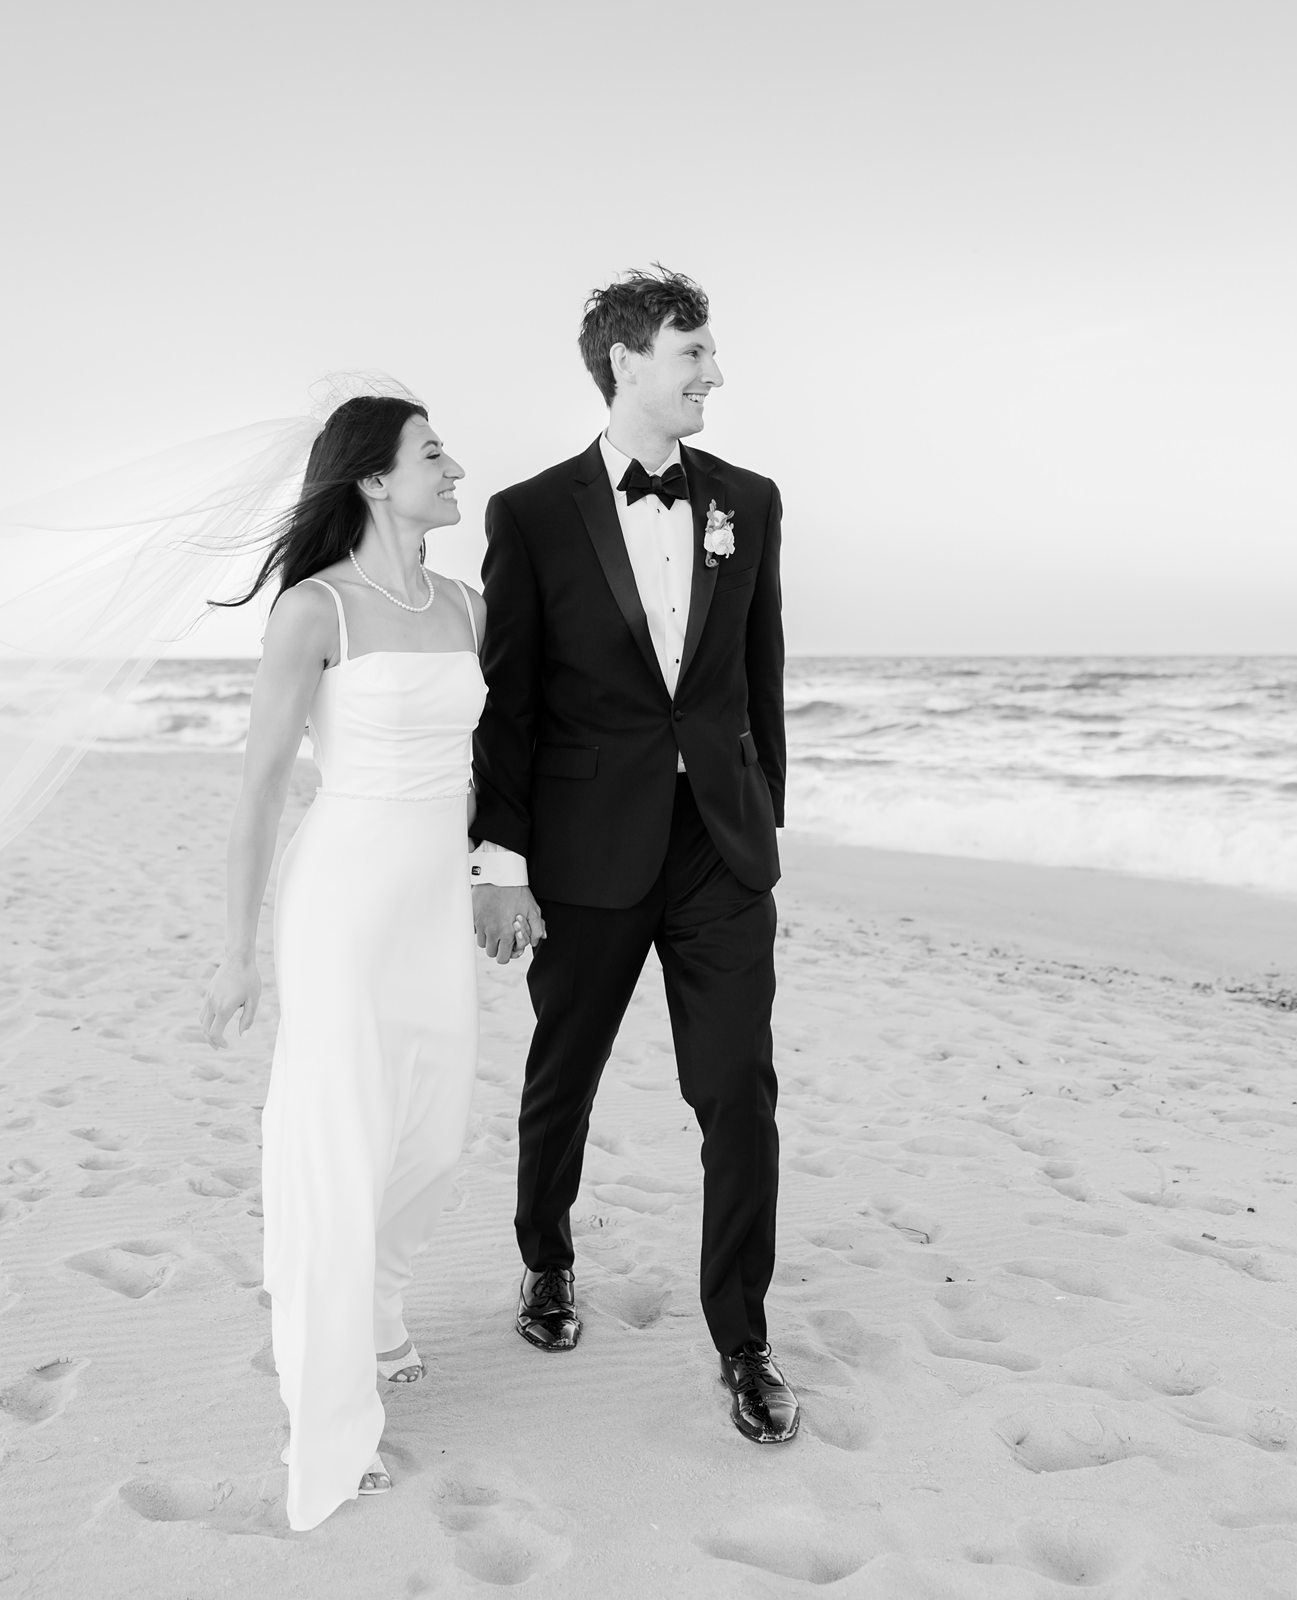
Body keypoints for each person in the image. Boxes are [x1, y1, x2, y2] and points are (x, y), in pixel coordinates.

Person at [468, 268, 798, 1444]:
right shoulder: (531, 513)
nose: (714, 373)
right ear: (626, 364)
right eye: (693, 353)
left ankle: (744, 1338)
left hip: (718, 849)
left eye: (710, 354)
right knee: (567, 1071)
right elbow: (508, 704)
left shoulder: (749, 503)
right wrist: (498, 858)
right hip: (583, 848)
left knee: (739, 1093)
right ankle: (547, 1261)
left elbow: (758, 685)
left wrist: (765, 836)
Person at [199, 393, 498, 1529]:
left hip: (431, 900)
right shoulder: (314, 610)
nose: (454, 464)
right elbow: (262, 789)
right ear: (375, 478)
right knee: (334, 1145)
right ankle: (330, 1420)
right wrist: (238, 953)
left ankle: (377, 1303)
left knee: (430, 1134)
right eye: (433, 452)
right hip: (340, 901)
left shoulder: (467, 604)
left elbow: (491, 765)